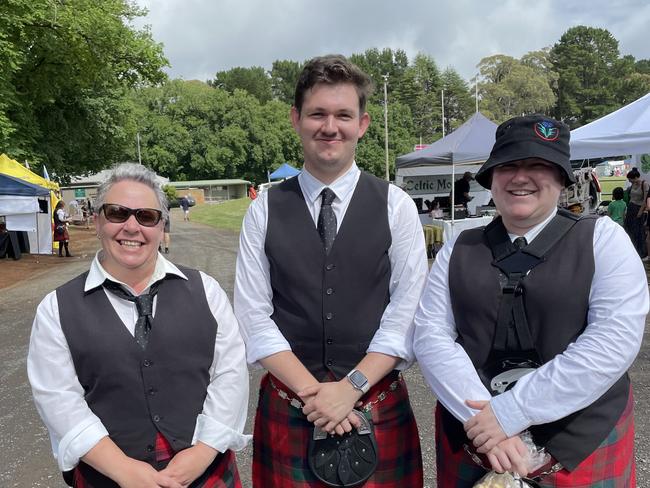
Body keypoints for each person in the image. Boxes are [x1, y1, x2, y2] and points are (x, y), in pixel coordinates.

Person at [413, 115, 648, 487]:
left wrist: (511, 412)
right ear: (491, 178)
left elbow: (613, 341)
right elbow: (430, 335)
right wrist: (489, 422)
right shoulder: (460, 247)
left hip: (581, 445)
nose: (520, 177)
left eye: (538, 165)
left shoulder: (604, 239)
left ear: (561, 178)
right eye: (507, 166)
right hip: (478, 438)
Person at [234, 54, 428, 487]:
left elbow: (407, 312)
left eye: (343, 115)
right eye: (317, 113)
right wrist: (315, 395)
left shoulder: (396, 205)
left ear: (362, 124)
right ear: (295, 119)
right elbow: (253, 316)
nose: (330, 126)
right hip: (291, 403)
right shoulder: (263, 210)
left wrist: (350, 388)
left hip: (375, 401)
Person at [28, 163, 250, 488]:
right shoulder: (55, 308)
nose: (132, 227)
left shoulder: (207, 290)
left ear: (161, 227)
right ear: (97, 220)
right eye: (118, 213)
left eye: (146, 216)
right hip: (108, 477)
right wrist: (122, 469)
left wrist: (203, 451)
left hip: (205, 472)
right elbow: (58, 399)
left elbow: (230, 374)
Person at [623, 167, 647, 258]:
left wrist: (640, 211)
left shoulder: (644, 184)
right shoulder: (632, 185)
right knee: (629, 230)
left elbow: (645, 199)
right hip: (631, 208)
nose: (630, 181)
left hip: (638, 208)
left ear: (636, 177)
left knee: (638, 231)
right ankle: (631, 250)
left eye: (631, 179)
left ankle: (640, 251)